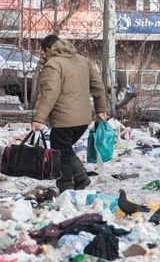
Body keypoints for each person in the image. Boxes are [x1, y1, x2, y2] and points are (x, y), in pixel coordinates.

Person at [31, 34, 109, 193]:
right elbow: (98, 86)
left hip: (64, 119)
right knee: (64, 148)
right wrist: (101, 109)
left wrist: (39, 118)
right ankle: (80, 177)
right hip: (83, 119)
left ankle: (66, 186)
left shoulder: (53, 64)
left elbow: (50, 93)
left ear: (47, 50)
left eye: (42, 52)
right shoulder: (82, 60)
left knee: (60, 153)